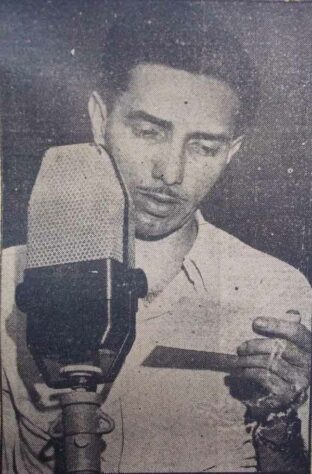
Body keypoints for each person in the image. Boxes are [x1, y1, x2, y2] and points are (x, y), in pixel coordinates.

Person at [2, 5, 311, 473]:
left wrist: (279, 420)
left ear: (232, 152)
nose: (171, 172)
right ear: (98, 116)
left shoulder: (274, 294)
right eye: (148, 131)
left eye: (204, 146)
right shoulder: (6, 282)